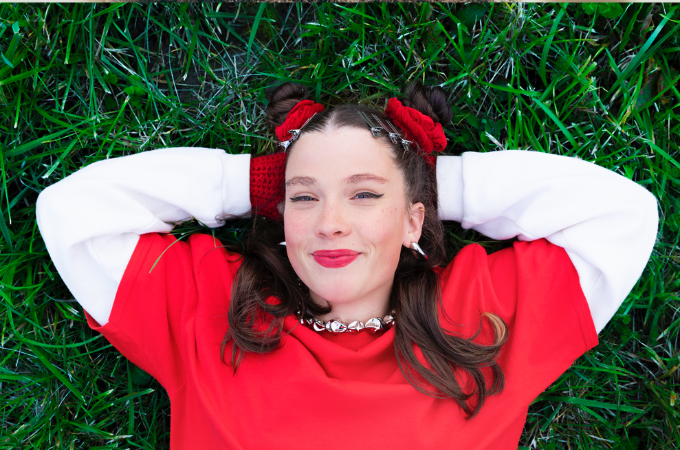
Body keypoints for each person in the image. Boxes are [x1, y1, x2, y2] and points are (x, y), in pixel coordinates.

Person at [36, 82, 658, 449]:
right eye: (305, 197)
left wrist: (437, 184)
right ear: (280, 216)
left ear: (414, 220)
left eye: (364, 194)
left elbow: (621, 216)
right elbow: (74, 214)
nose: (330, 221)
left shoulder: (480, 320)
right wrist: (251, 183)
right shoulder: (211, 310)